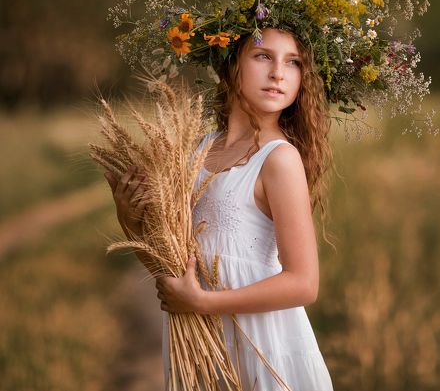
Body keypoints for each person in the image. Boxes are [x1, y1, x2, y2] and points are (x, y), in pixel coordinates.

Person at [106, 26, 334, 390]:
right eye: (263, 56)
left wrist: (203, 302)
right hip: (201, 347)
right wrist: (129, 221)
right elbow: (173, 268)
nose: (278, 73)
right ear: (231, 65)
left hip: (264, 346)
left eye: (293, 62)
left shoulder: (278, 159)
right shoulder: (197, 151)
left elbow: (304, 284)